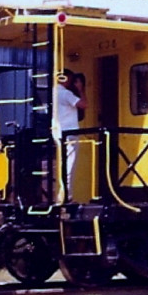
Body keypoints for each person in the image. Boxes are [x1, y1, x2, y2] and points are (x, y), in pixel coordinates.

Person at [55, 69, 87, 200]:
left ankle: (60, 194)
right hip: (70, 134)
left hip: (58, 132)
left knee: (60, 164)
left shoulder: (53, 92)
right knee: (69, 165)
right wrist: (80, 89)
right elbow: (84, 105)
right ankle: (67, 196)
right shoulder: (66, 94)